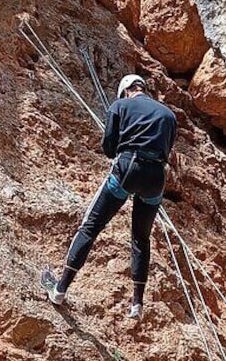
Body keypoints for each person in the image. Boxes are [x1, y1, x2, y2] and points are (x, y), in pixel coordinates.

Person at [41, 74, 177, 319]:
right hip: (156, 178)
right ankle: (137, 304)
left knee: (90, 227)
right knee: (141, 239)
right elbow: (167, 149)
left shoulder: (120, 105)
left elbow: (108, 148)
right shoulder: (168, 115)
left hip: (127, 169)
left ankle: (60, 289)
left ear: (125, 90)